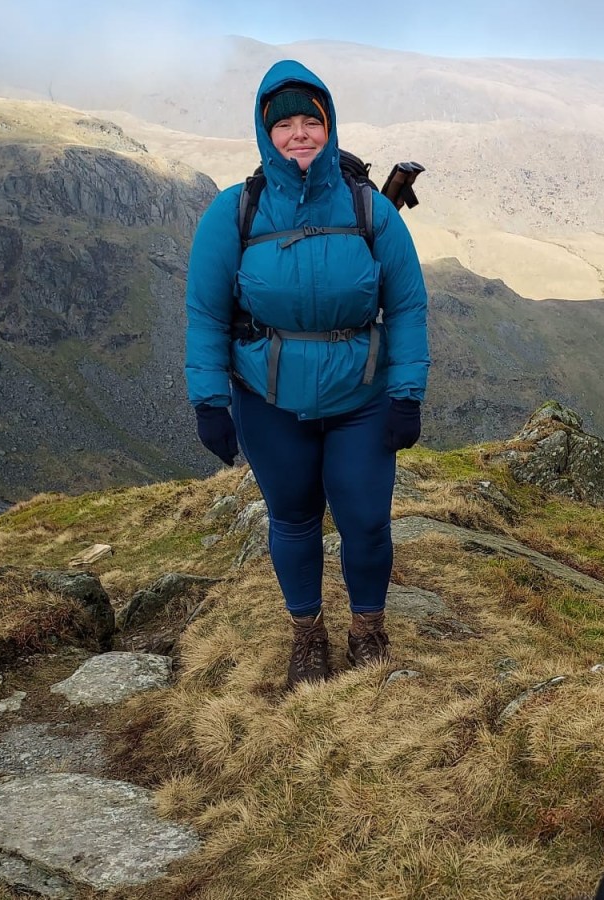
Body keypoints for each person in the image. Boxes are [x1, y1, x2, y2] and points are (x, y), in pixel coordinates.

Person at [184, 59, 429, 688]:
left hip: (362, 397)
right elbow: (206, 312)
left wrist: (405, 393)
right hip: (269, 399)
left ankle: (368, 630)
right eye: (285, 123)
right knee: (292, 519)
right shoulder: (235, 211)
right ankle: (307, 636)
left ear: (329, 126)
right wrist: (210, 400)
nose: (299, 133)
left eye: (310, 121)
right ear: (266, 132)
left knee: (366, 521)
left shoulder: (370, 208)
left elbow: (405, 307)